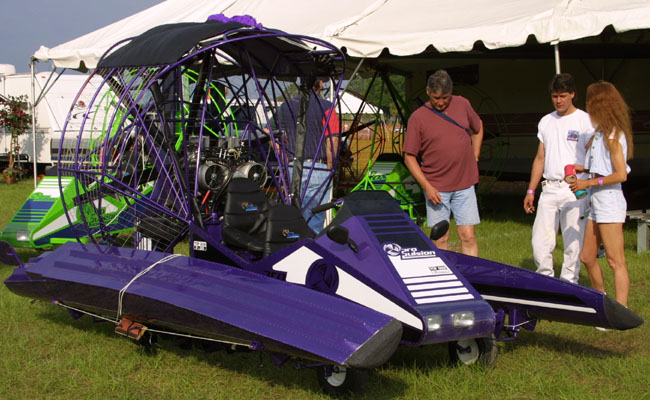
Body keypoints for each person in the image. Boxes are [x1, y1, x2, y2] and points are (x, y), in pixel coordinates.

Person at [403, 70, 484, 256]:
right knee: (440, 238)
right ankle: (444, 278)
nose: (440, 102)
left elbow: (478, 128)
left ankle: (471, 278)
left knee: (468, 236)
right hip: (436, 189)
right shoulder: (418, 117)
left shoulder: (463, 104)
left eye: (445, 98)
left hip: (465, 184)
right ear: (427, 92)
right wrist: (427, 186)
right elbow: (409, 157)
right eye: (436, 97)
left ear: (451, 93)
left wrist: (475, 155)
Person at [523, 73, 594, 283]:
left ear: (573, 94)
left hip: (575, 187)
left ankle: (569, 282)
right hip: (549, 187)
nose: (558, 100)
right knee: (540, 241)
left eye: (563, 95)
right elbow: (540, 157)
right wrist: (530, 190)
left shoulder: (585, 120)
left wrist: (587, 178)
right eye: (555, 96)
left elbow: (593, 154)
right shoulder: (546, 121)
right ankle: (545, 280)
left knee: (573, 239)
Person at [569, 81, 633, 307]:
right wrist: (584, 169)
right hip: (596, 200)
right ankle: (603, 303)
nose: (587, 107)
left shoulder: (613, 136)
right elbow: (602, 166)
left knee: (616, 261)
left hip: (609, 200)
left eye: (590, 103)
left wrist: (588, 182)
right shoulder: (600, 133)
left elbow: (620, 174)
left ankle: (622, 309)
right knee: (587, 256)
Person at [279, 78, 339, 233]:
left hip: (293, 166)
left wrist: (284, 163)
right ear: (319, 83)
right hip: (317, 167)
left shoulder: (285, 106)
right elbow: (332, 141)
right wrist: (331, 168)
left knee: (294, 219)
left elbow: (272, 135)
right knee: (314, 221)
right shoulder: (327, 107)